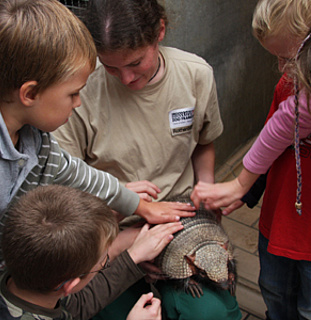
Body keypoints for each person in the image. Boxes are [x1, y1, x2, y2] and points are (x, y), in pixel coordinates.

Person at [53, 0, 242, 319]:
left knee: (210, 312)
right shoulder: (78, 91)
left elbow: (204, 142)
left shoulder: (196, 74)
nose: (126, 79)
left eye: (136, 62)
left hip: (181, 222)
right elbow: (66, 190)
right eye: (111, 67)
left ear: (160, 32)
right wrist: (117, 210)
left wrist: (206, 192)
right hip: (108, 232)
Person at [0, 0, 195, 261]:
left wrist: (141, 206)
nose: (79, 102)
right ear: (30, 93)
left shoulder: (36, 139)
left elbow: (82, 175)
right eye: (73, 94)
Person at [191, 1, 311, 319]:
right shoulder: (288, 84)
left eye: (288, 58)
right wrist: (244, 192)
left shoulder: (308, 95)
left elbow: (291, 117)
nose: (281, 68)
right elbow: (272, 142)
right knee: (274, 290)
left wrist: (239, 182)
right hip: (280, 221)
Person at [0, 184, 185, 319]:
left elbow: (74, 307)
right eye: (104, 262)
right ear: (69, 286)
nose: (107, 258)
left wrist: (131, 255)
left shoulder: (24, 276)